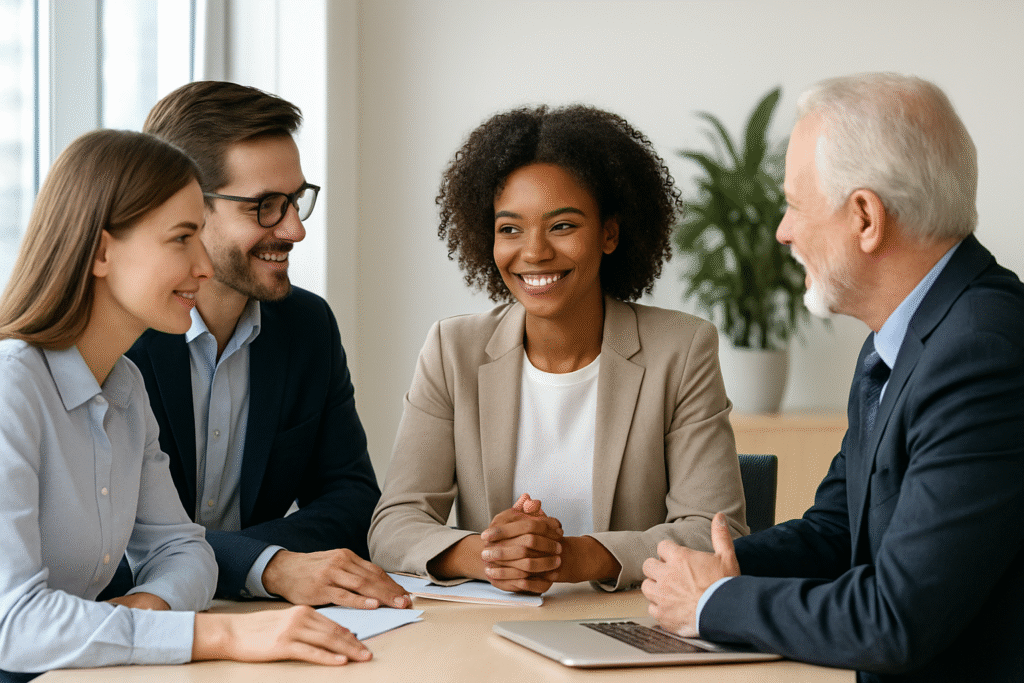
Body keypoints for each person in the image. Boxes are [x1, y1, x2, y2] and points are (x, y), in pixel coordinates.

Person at [641, 73, 1024, 682]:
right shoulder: (904, 337)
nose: (782, 231)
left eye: (795, 204)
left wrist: (714, 603)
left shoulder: (982, 352)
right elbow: (837, 533)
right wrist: (706, 569)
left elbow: (897, 619)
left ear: (866, 217)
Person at [0, 130, 372, 682]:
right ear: (101, 252)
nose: (203, 266)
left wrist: (145, 613)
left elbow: (184, 551)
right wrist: (222, 636)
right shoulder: (11, 388)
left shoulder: (123, 385)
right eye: (181, 239)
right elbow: (12, 625)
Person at [369, 104, 748, 594]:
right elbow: (394, 525)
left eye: (563, 225)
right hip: (490, 626)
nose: (534, 252)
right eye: (510, 229)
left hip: (630, 621)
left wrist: (571, 556)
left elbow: (713, 533)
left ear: (609, 233)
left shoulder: (681, 350)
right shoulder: (452, 350)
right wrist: (492, 556)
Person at [122, 81, 409, 610]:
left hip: (257, 615)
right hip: (136, 624)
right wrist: (264, 564)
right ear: (185, 209)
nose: (295, 229)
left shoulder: (307, 326)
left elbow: (352, 502)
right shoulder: (116, 340)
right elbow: (102, 550)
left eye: (295, 201)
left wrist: (252, 568)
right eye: (266, 207)